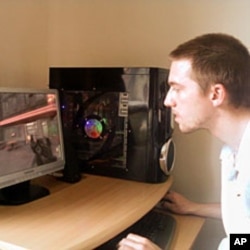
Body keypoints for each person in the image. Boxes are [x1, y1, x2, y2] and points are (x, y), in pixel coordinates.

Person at [117, 33, 250, 250]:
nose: (168, 101)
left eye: (177, 88)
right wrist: (194, 208)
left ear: (216, 94)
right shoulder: (234, 149)